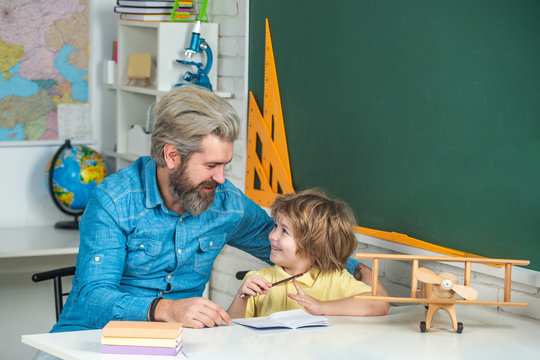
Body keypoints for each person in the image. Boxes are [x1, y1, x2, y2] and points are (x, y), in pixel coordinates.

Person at [48, 86, 369, 336]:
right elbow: (92, 299)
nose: (220, 178)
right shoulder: (114, 201)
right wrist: (167, 309)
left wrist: (358, 271)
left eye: (225, 165)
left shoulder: (225, 202)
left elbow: (303, 247)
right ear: (172, 155)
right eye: (211, 165)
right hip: (87, 340)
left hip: (178, 343)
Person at [228, 189, 389, 318]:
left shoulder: (335, 278)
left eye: (284, 231)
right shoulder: (259, 279)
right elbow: (229, 331)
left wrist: (321, 307)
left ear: (313, 245)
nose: (272, 235)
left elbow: (380, 304)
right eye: (275, 226)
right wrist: (242, 297)